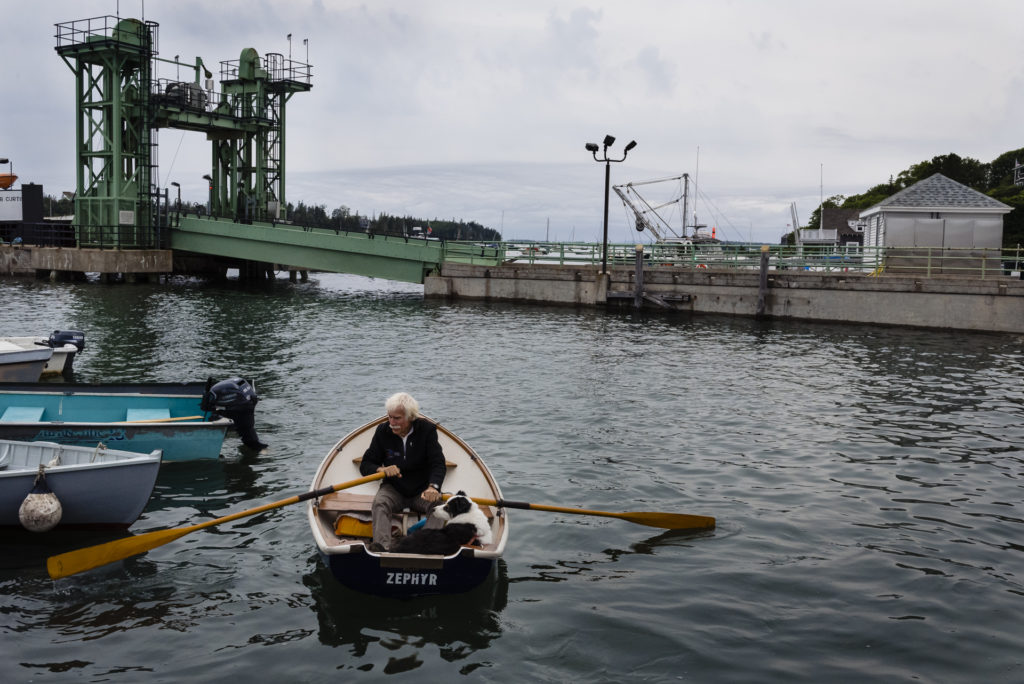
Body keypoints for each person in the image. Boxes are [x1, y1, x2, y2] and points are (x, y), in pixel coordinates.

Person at [358, 392, 447, 551]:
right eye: (389, 417)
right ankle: (382, 549)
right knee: (380, 503)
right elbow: (365, 465)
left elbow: (438, 463)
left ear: (410, 417)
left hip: (422, 489)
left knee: (439, 505)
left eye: (397, 418)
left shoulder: (427, 430)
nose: (391, 422)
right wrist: (381, 469)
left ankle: (427, 547)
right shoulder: (382, 431)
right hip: (394, 488)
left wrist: (434, 486)